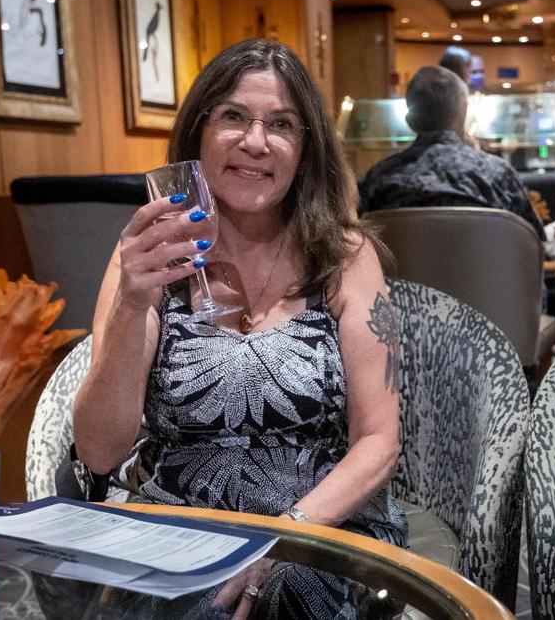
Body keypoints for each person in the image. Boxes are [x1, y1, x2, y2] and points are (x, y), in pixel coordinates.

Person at [71, 39, 407, 618]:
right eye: (233, 116)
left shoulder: (346, 256)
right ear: (198, 132)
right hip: (180, 525)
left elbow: (379, 442)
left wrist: (284, 538)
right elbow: (100, 452)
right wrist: (132, 302)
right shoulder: (155, 254)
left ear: (305, 149)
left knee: (291, 594)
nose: (256, 141)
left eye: (281, 124)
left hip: (320, 523)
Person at [358, 66, 545, 237]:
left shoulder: (378, 178)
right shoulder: (498, 174)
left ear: (409, 120)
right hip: (484, 274)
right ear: (464, 112)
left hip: (397, 275)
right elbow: (533, 242)